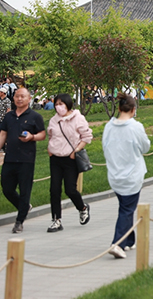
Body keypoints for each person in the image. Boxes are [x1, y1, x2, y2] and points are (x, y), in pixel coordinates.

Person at [102, 93, 150, 259]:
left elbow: (104, 147)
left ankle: (129, 240)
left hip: (115, 173)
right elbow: (146, 147)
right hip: (131, 175)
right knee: (127, 209)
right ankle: (118, 243)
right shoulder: (135, 127)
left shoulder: (109, 127)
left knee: (125, 207)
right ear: (133, 110)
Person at [0, 88, 46, 233]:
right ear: (13, 98)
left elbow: (42, 134)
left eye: (22, 96)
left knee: (25, 190)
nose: (19, 99)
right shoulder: (9, 116)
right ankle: (24, 206)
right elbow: (3, 133)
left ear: (29, 98)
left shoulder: (35, 116)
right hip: (10, 158)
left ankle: (19, 221)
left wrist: (32, 137)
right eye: (17, 96)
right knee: (7, 188)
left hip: (26, 159)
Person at [46, 93, 93, 232]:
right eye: (56, 104)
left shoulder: (78, 118)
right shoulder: (54, 120)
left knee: (70, 189)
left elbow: (87, 136)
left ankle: (83, 208)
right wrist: (50, 148)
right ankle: (56, 220)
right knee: (54, 190)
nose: (58, 107)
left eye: (61, 104)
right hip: (55, 158)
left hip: (70, 159)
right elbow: (51, 135)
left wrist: (76, 150)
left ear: (68, 104)